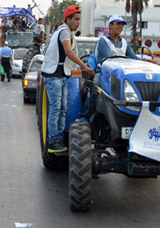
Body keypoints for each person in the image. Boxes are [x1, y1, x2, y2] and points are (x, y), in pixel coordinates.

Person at [40, 5, 94, 153]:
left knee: (63, 108)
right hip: (54, 76)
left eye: (79, 20)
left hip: (62, 75)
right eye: (75, 19)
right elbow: (68, 52)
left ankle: (60, 136)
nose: (78, 22)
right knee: (56, 108)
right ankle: (53, 141)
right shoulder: (64, 32)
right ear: (67, 19)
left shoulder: (67, 32)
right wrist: (85, 67)